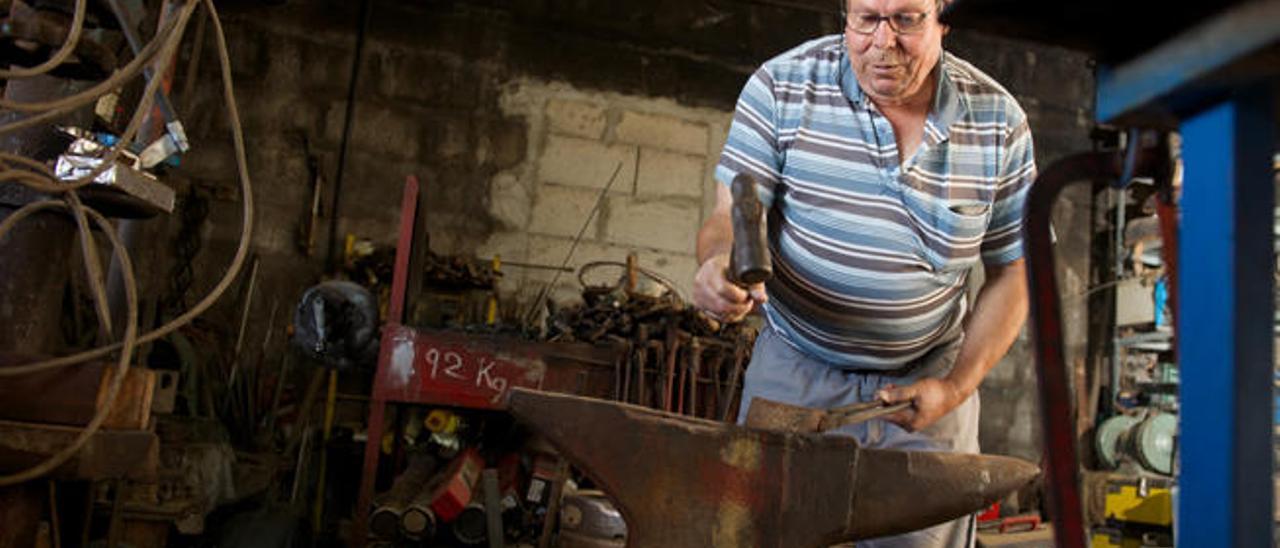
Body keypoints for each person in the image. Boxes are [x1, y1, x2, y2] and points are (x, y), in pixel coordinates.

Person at [693, 0, 1034, 546]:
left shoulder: (998, 122)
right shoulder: (781, 85)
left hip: (928, 385)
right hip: (796, 372)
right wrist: (716, 264)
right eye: (866, 18)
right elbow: (726, 217)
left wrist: (954, 387)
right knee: (769, 532)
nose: (882, 42)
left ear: (943, 20)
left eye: (906, 20)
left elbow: (1014, 273)